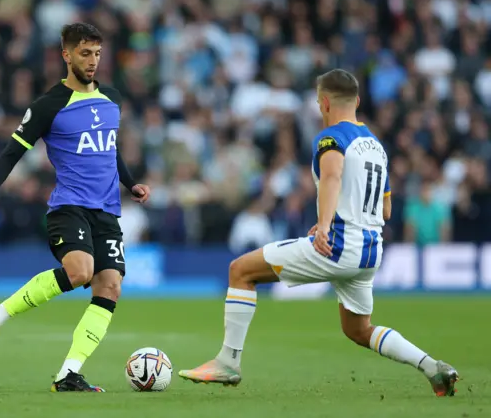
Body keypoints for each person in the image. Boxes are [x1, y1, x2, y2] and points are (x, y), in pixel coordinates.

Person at [178, 69, 459, 397]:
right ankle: (432, 366)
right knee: (358, 329)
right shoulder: (376, 146)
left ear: (323, 102)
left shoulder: (331, 138)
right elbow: (386, 211)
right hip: (370, 249)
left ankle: (227, 362)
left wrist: (325, 225)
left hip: (338, 245)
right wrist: (337, 215)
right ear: (357, 100)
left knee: (240, 271)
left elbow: (332, 177)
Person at [0, 22, 151, 393]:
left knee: (110, 286)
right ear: (66, 55)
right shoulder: (49, 105)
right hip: (69, 207)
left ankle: (69, 374)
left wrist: (131, 184)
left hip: (107, 210)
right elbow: (10, 154)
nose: (93, 60)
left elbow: (109, 150)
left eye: (97, 53)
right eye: (84, 53)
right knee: (81, 271)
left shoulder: (112, 98)